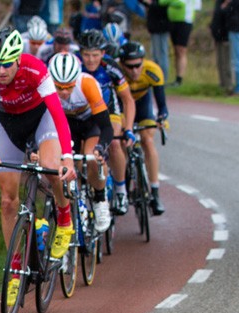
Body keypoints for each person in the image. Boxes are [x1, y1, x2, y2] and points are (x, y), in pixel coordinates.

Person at [0, 28, 77, 306]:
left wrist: (68, 157)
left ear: (19, 58)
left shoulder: (36, 69)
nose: (1, 70)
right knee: (7, 201)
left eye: (7, 63)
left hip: (41, 120)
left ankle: (64, 217)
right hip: (9, 128)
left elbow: (57, 113)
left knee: (50, 166)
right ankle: (16, 269)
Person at [48, 52, 114, 232]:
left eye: (68, 87)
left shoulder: (88, 84)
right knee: (63, 162)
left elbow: (107, 127)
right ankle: (70, 205)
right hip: (66, 126)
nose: (63, 92)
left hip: (90, 123)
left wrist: (101, 148)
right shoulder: (45, 86)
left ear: (75, 80)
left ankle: (100, 199)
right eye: (59, 87)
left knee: (91, 157)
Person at [76, 29, 136, 216]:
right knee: (80, 154)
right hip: (84, 113)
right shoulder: (75, 66)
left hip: (109, 111)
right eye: (86, 54)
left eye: (95, 55)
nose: (91, 60)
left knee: (115, 143)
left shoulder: (110, 67)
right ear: (80, 53)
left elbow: (127, 99)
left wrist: (128, 129)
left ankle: (120, 190)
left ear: (103, 53)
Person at [119, 41, 168, 215]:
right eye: (129, 67)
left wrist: (162, 118)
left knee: (147, 140)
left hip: (144, 107)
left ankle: (155, 193)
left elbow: (162, 105)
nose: (134, 71)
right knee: (122, 144)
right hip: (124, 107)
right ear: (122, 64)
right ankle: (122, 187)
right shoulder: (117, 73)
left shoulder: (153, 70)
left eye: (138, 65)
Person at [160, 0, 200, 87]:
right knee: (176, 50)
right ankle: (176, 78)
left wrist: (171, 2)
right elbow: (162, 2)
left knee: (181, 50)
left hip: (185, 20)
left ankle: (179, 79)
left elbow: (186, 5)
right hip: (173, 20)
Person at [140, 0, 171, 83]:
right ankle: (157, 77)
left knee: (161, 54)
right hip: (155, 26)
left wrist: (151, 3)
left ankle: (162, 79)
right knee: (155, 54)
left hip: (161, 26)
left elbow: (162, 5)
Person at [210, 0, 233, 94]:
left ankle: (228, 85)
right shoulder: (219, 2)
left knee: (226, 62)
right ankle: (223, 84)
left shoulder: (229, 3)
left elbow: (228, 19)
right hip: (218, 35)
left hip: (225, 36)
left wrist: (226, 36)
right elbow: (216, 19)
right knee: (220, 62)